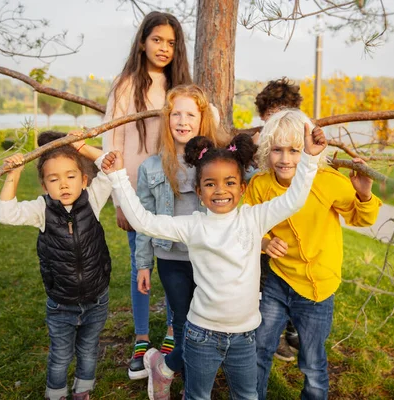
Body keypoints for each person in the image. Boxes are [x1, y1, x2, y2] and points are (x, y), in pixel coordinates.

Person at [103, 123, 328, 399]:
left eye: (230, 182)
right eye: (210, 184)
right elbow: (144, 222)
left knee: (246, 395)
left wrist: (310, 158)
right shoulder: (193, 226)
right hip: (201, 336)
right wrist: (118, 178)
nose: (220, 190)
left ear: (242, 187)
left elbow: (294, 200)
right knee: (197, 395)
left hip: (245, 337)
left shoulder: (254, 219)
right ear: (199, 191)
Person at [244, 109, 382, 400]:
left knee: (312, 361)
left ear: (307, 151)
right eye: (277, 150)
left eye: (295, 150)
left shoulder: (327, 180)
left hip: (318, 288)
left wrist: (365, 195)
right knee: (259, 346)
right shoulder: (260, 185)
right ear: (267, 150)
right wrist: (266, 243)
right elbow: (245, 226)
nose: (285, 159)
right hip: (278, 281)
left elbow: (362, 218)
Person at [101, 10, 192, 380]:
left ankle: (172, 332)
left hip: (174, 192)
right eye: (157, 40)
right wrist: (120, 198)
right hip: (135, 193)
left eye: (171, 42)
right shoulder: (126, 85)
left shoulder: (179, 86)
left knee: (175, 265)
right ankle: (141, 338)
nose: (164, 48)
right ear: (142, 41)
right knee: (140, 266)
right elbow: (113, 140)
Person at [0, 131, 114, 400]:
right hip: (62, 303)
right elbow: (6, 213)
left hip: (97, 299)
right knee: (61, 355)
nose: (63, 184)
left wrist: (82, 147)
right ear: (44, 185)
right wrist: (13, 174)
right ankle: (56, 394)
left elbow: (111, 167)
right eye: (54, 179)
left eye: (71, 176)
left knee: (88, 349)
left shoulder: (92, 200)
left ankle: (83, 391)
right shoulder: (42, 209)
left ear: (84, 180)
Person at [133, 84, 221, 399]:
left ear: (202, 120)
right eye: (176, 114)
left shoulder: (215, 161)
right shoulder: (152, 167)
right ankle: (192, 389)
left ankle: (165, 366)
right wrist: (143, 264)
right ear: (168, 120)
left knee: (208, 325)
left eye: (191, 115)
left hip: (208, 256)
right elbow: (143, 220)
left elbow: (248, 181)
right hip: (171, 259)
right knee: (185, 325)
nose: (182, 121)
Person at [254, 77, 304, 361]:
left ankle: (293, 326)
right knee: (266, 285)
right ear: (263, 116)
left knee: (294, 279)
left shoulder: (298, 145)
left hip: (294, 228)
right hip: (264, 228)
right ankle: (273, 336)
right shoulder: (258, 144)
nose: (279, 121)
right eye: (273, 114)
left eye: (286, 113)